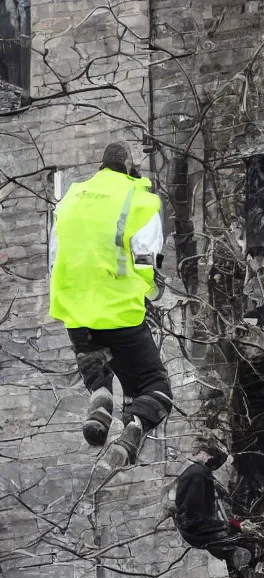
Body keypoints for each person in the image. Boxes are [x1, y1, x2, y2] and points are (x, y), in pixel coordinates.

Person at [49, 142, 172, 470]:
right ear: (131, 170)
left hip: (75, 310)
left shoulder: (69, 199)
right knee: (155, 384)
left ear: (101, 167)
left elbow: (54, 256)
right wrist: (149, 288)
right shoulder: (141, 200)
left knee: (94, 357)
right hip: (118, 312)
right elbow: (147, 258)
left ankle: (100, 396)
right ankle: (133, 430)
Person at [174, 439, 260, 570]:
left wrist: (236, 525)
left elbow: (217, 509)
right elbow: (196, 512)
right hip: (199, 530)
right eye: (212, 455)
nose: (213, 459)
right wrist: (221, 527)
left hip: (201, 530)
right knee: (249, 549)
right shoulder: (198, 473)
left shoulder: (200, 474)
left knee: (249, 546)